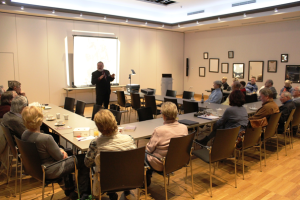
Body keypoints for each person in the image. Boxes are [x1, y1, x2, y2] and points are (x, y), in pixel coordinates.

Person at [21, 106, 90, 200]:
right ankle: (82, 192)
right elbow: (60, 157)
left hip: (37, 169)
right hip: (50, 170)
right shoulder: (46, 138)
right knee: (84, 158)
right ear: (39, 120)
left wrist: (61, 150)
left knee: (68, 152)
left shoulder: (24, 134)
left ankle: (69, 187)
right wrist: (61, 151)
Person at [84, 109, 136, 199]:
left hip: (106, 181)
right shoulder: (130, 139)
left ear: (98, 127)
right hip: (128, 178)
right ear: (114, 121)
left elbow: (87, 163)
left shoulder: (95, 143)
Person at [145, 102, 188, 185]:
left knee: (141, 155)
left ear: (163, 116)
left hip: (162, 164)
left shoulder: (159, 130)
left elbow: (149, 149)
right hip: (178, 161)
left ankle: (146, 181)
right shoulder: (184, 128)